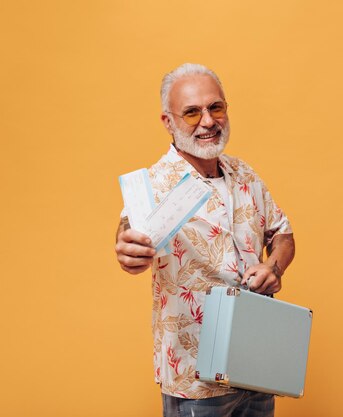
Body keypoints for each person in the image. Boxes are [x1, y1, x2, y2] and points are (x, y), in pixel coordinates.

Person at [115, 63, 295, 417]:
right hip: (195, 374)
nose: (208, 121)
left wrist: (273, 266)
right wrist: (127, 248)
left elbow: (283, 234)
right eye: (192, 112)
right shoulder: (153, 187)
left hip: (257, 361)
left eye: (216, 107)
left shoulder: (245, 174)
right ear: (168, 122)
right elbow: (127, 234)